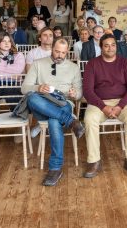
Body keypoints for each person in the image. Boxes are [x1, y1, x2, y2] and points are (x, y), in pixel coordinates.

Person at [22, 37, 84, 186]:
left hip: (63, 102)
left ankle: (55, 168)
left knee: (54, 120)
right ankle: (71, 121)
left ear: (67, 52)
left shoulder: (74, 68)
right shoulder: (38, 64)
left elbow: (80, 94)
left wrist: (74, 93)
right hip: (42, 103)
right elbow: (24, 88)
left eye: (63, 53)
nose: (59, 55)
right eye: (57, 51)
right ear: (52, 49)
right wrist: (37, 88)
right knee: (31, 98)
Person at [82, 34, 127, 178]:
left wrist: (120, 106)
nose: (110, 48)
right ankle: (94, 161)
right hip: (99, 103)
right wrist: (103, 107)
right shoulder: (93, 64)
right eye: (106, 45)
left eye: (113, 45)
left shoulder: (125, 63)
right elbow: (88, 91)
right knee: (89, 119)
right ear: (101, 47)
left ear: (116, 46)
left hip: (123, 102)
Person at [0, 32, 26, 121]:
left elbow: (17, 71)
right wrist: (12, 75)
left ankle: (17, 121)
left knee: (15, 97)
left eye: (9, 41)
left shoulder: (18, 55)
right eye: (3, 41)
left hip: (12, 84)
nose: (7, 43)